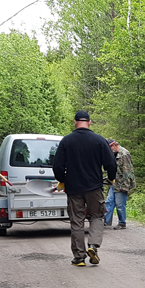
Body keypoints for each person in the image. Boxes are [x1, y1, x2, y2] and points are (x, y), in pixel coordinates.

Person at [51, 111, 117, 267]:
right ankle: (93, 245)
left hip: (74, 188)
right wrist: (111, 178)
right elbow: (111, 164)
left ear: (75, 122)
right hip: (94, 187)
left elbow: (57, 166)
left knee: (77, 221)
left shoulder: (66, 141)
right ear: (89, 122)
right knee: (97, 216)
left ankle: (79, 257)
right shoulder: (99, 140)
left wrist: (62, 180)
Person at [104, 139, 136, 229]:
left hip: (122, 183)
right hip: (114, 182)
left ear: (114, 145)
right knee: (109, 202)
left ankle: (122, 223)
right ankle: (104, 221)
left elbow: (128, 171)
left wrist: (125, 186)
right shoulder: (114, 154)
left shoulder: (124, 154)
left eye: (109, 148)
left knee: (120, 205)